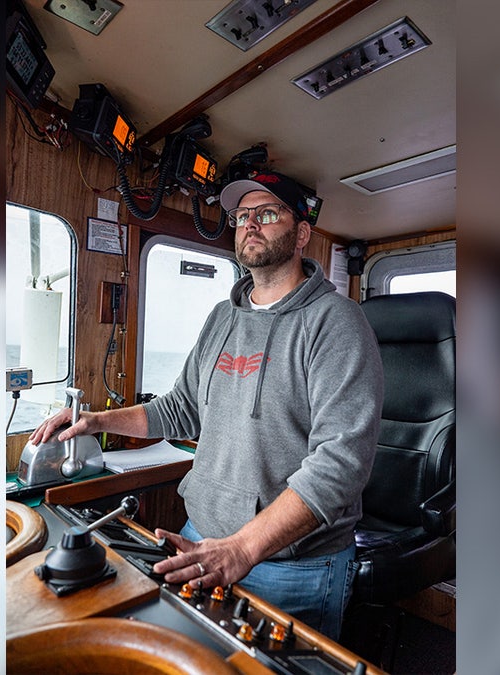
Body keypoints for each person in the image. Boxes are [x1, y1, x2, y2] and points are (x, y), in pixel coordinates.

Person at [28, 170, 383, 639]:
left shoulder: (337, 322)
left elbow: (341, 463)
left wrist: (242, 549)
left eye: (267, 214)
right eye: (242, 215)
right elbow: (180, 408)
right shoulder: (222, 316)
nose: (250, 224)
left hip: (292, 565)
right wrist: (95, 421)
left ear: (301, 233)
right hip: (201, 538)